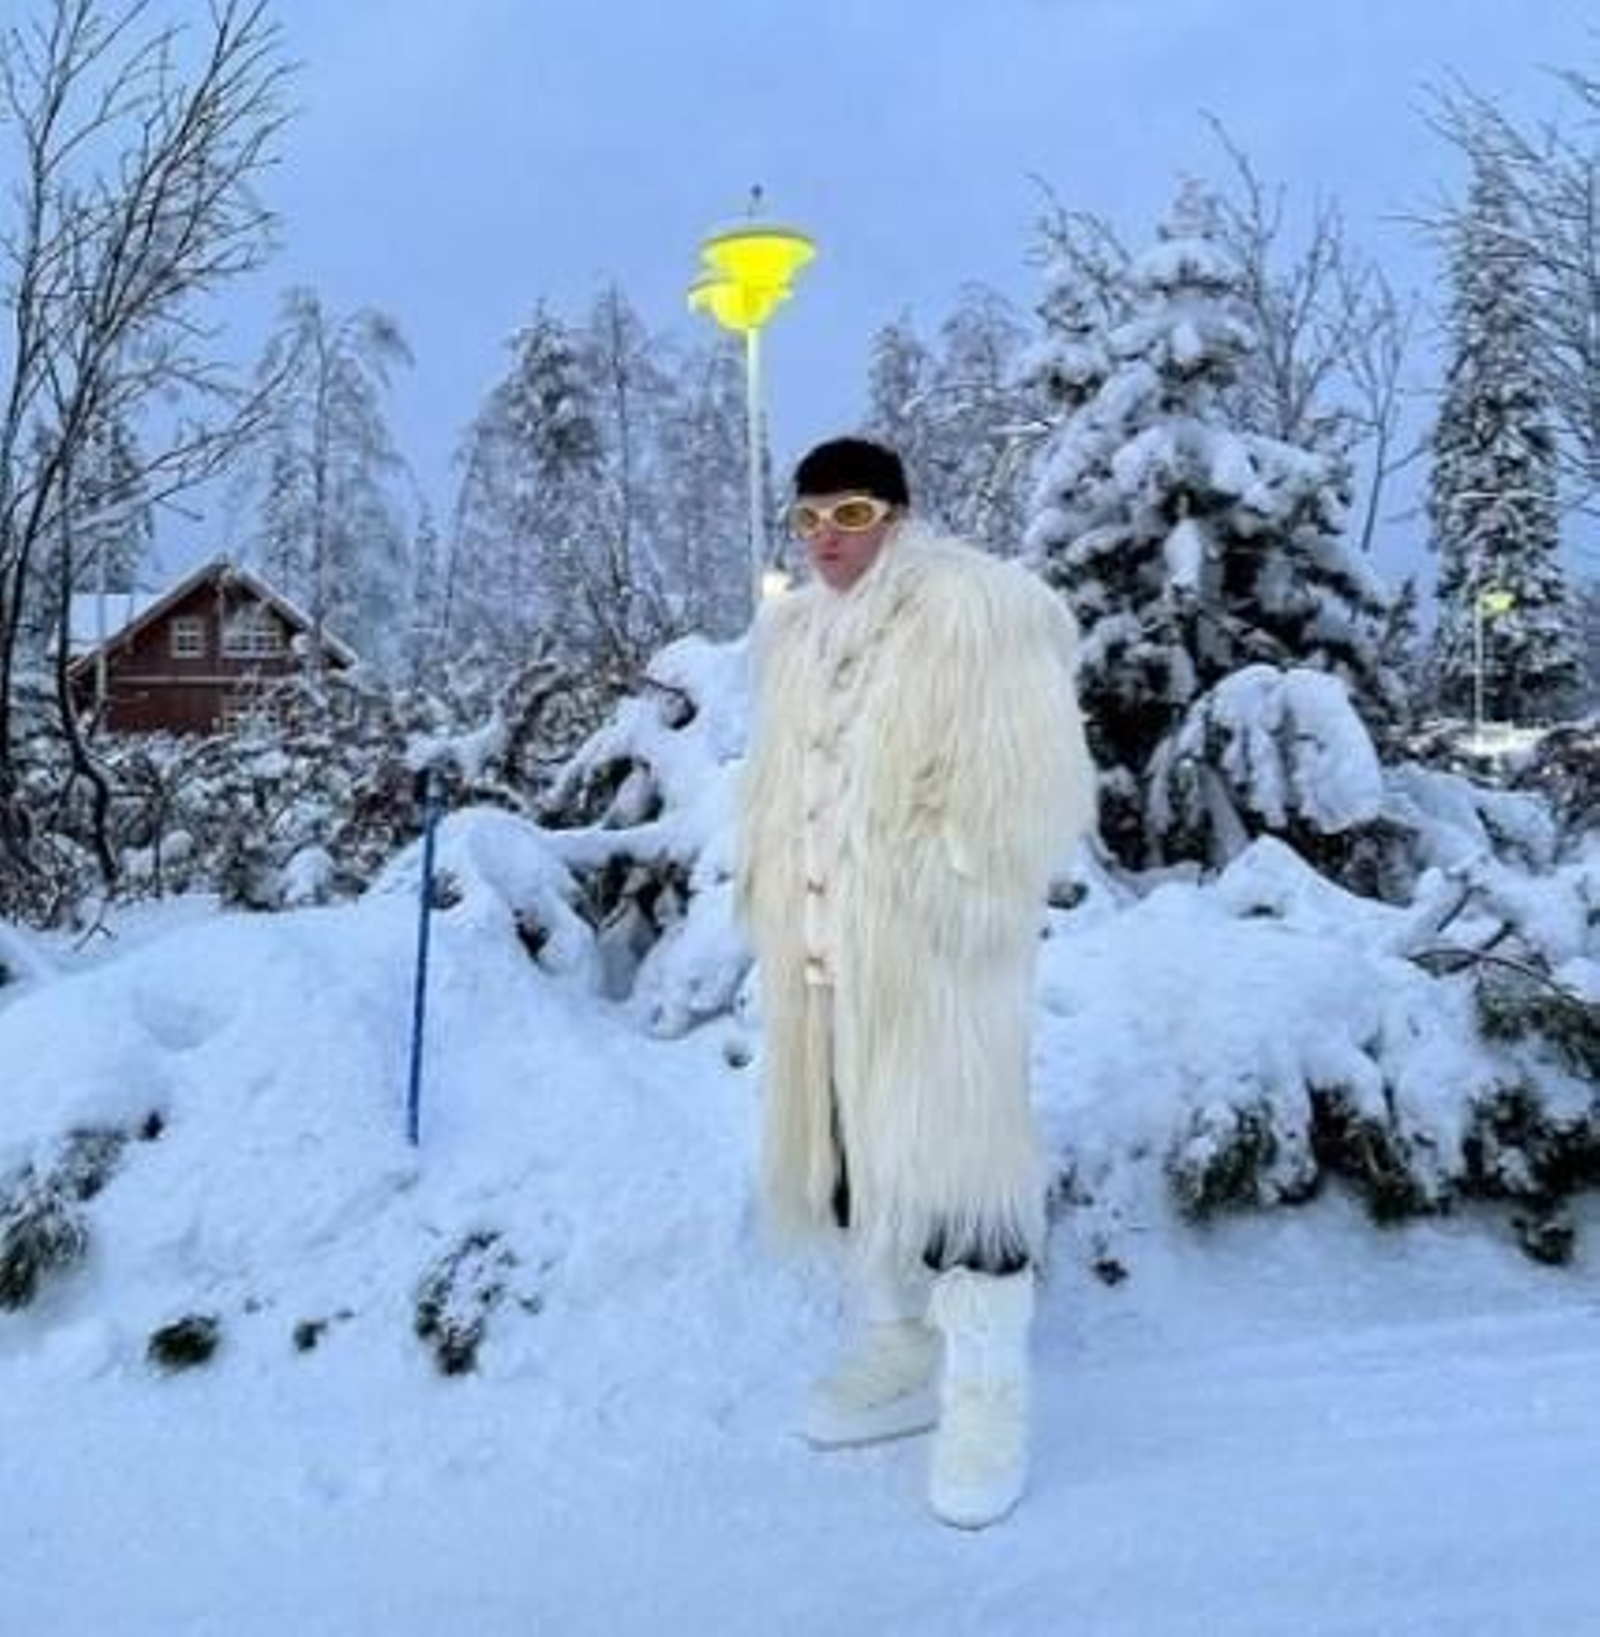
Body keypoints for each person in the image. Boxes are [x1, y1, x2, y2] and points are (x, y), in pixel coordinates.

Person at [734, 436, 1096, 1530]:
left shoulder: (975, 613)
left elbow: (1017, 791)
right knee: (849, 1155)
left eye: (847, 513)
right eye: (806, 520)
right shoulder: (797, 634)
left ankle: (987, 1388)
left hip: (937, 960)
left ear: (896, 512)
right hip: (823, 957)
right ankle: (898, 1343)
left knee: (961, 1166)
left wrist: (940, 902)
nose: (826, 539)